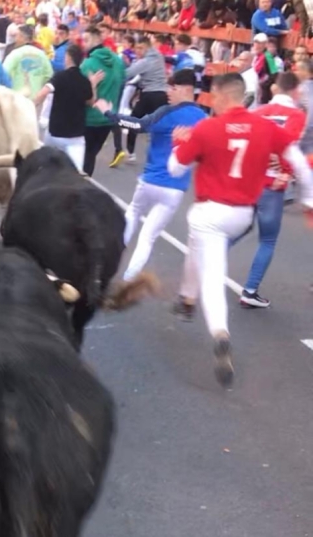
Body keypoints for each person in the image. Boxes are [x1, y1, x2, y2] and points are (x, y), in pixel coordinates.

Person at [167, 73, 313, 388]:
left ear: (221, 94)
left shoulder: (207, 127)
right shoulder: (266, 127)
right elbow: (299, 164)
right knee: (197, 245)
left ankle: (219, 331)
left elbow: (175, 168)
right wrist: (309, 198)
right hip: (243, 212)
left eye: (213, 95)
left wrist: (177, 144)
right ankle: (186, 299)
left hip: (210, 210)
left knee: (211, 271)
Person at [95, 69, 206, 281]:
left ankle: (107, 267)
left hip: (151, 181)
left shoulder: (167, 112)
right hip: (175, 188)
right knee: (148, 237)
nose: (168, 92)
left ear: (186, 89)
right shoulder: (203, 119)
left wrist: (109, 113)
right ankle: (128, 279)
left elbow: (137, 125)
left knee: (133, 214)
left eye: (172, 87)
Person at [231, 72, 306, 308]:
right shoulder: (296, 115)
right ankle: (250, 290)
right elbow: (290, 145)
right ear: (295, 91)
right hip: (272, 184)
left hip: (250, 179)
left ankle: (203, 260)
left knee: (242, 226)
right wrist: (286, 168)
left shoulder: (258, 111)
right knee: (268, 239)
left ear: (275, 89)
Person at [34, 44, 93, 171]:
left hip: (55, 132)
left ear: (68, 57)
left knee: (46, 168)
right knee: (75, 173)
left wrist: (31, 105)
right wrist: (93, 83)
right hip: (75, 136)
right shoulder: (84, 81)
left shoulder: (59, 77)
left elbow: (43, 93)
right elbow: (90, 101)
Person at [79, 25, 125, 177]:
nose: (83, 44)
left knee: (83, 157)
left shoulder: (88, 64)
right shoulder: (118, 61)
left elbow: (83, 95)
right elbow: (123, 82)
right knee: (91, 154)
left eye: (86, 40)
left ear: (95, 39)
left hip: (90, 118)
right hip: (108, 117)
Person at [123, 36, 168, 162]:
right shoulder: (159, 56)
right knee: (160, 127)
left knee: (133, 122)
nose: (138, 51)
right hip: (162, 94)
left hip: (150, 94)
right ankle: (162, 156)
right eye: (136, 48)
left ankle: (130, 152)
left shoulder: (146, 61)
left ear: (148, 47)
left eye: (141, 48)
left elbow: (127, 73)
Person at [2, 24, 53, 96]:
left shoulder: (15, 54)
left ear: (23, 38)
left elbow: (4, 73)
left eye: (17, 35)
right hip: (36, 100)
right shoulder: (41, 54)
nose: (15, 39)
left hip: (18, 98)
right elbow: (48, 75)